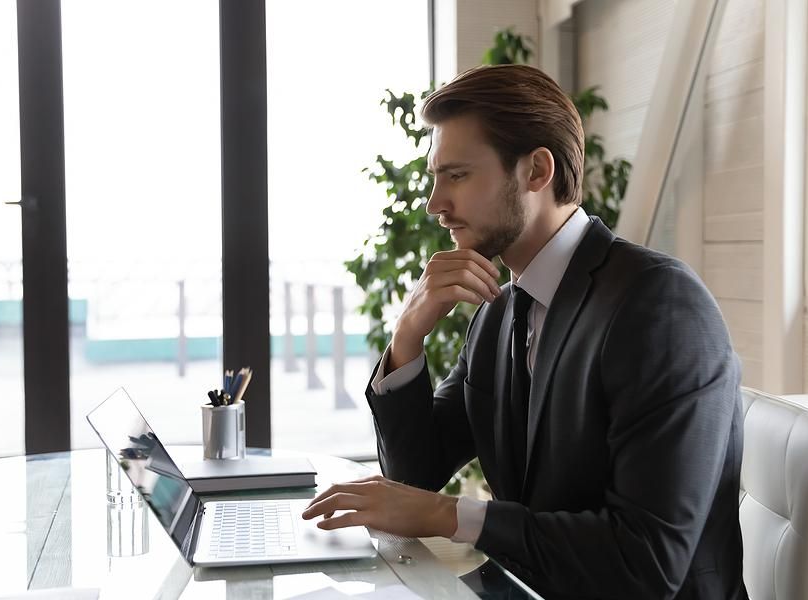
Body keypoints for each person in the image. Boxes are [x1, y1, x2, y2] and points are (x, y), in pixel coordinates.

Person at [302, 64, 747, 599]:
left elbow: (646, 562)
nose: (435, 203)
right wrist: (407, 337)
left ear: (536, 171)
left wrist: (451, 515)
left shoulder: (659, 304)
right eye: (435, 176)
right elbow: (414, 478)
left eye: (458, 175)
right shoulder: (499, 312)